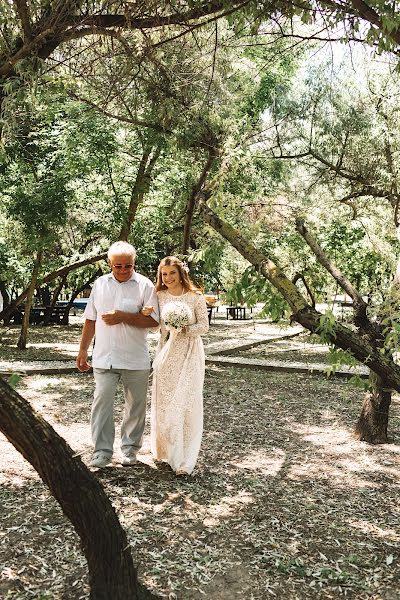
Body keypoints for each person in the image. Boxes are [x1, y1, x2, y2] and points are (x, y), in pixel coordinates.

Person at [76, 241, 159, 468]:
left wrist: (124, 316)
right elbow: (90, 319)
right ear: (110, 264)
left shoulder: (145, 285)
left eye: (128, 266)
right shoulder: (100, 284)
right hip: (104, 357)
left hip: (136, 358)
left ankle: (130, 450)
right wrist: (83, 350)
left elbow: (154, 322)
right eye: (118, 266)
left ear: (134, 263)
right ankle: (102, 451)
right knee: (102, 402)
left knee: (136, 406)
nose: (123, 270)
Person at [142, 256, 209, 476]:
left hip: (189, 353)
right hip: (167, 353)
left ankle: (184, 459)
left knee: (186, 402)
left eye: (172, 273)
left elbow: (204, 326)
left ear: (181, 274)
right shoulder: (159, 296)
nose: (168, 278)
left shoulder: (195, 297)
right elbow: (155, 328)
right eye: (164, 274)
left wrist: (183, 328)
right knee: (166, 403)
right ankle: (167, 450)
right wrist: (147, 316)